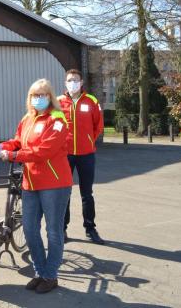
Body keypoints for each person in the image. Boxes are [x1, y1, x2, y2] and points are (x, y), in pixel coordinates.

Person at [0, 78, 73, 294]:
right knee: (30, 229)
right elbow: (18, 140)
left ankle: (50, 275)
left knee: (53, 232)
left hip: (54, 183)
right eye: (34, 95)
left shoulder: (57, 119)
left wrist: (14, 155)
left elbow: (45, 151)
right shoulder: (27, 119)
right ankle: (40, 271)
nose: (38, 99)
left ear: (50, 97)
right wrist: (4, 147)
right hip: (30, 182)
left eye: (42, 95)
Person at [58, 69, 105, 244]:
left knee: (87, 193)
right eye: (70, 80)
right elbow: (53, 126)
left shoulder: (91, 101)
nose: (73, 83)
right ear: (65, 83)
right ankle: (62, 229)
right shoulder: (58, 102)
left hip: (86, 155)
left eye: (75, 80)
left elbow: (98, 126)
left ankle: (90, 229)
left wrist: (88, 141)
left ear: (82, 81)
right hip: (65, 155)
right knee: (65, 193)